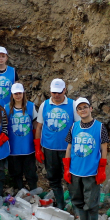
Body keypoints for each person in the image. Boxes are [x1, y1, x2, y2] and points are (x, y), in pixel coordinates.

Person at [63, 98, 109, 220]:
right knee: (77, 200)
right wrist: (66, 168)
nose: (82, 110)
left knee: (92, 202)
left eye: (85, 107)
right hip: (75, 171)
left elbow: (104, 148)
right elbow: (69, 147)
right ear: (77, 111)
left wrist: (102, 168)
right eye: (79, 108)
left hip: (91, 171)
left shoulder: (100, 127)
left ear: (91, 108)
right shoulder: (74, 126)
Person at [34, 78, 75, 208]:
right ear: (50, 91)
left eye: (59, 92)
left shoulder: (73, 105)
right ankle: (60, 204)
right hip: (49, 148)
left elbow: (79, 126)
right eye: (54, 92)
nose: (56, 95)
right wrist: (38, 148)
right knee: (53, 178)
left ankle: (76, 205)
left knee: (71, 178)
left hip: (67, 149)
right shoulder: (44, 105)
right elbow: (39, 126)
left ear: (65, 90)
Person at [7, 83, 38, 192]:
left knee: (30, 172)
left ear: (23, 93)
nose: (18, 95)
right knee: (16, 173)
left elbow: (35, 125)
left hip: (28, 147)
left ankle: (34, 191)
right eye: (15, 93)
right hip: (13, 148)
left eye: (20, 93)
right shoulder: (7, 108)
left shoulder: (30, 106)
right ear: (12, 94)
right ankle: (19, 192)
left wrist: (37, 142)